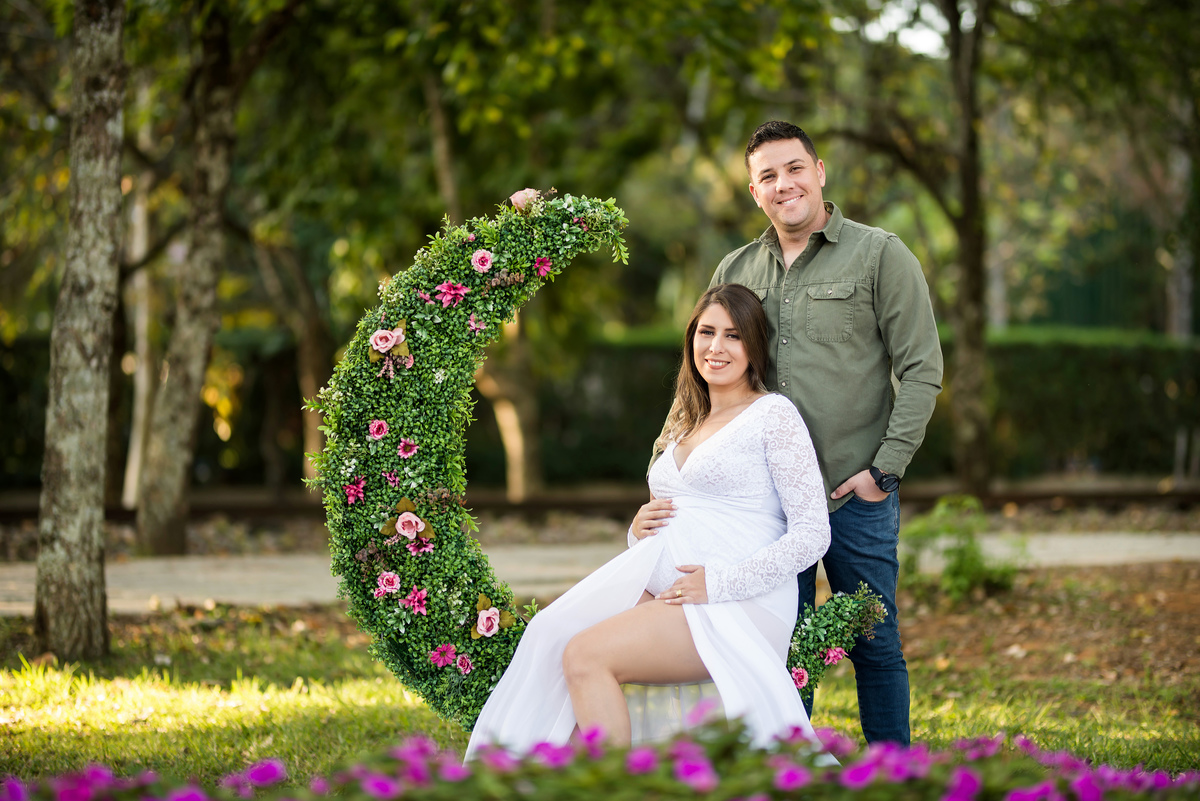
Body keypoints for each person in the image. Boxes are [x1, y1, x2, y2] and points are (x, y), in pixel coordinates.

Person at [642, 120, 943, 745]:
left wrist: (885, 470)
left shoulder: (880, 254)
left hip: (850, 491)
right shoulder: (737, 267)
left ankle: (894, 772)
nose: (785, 185)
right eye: (768, 177)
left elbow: (921, 368)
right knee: (777, 641)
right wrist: (662, 473)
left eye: (794, 169)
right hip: (761, 508)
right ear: (755, 192)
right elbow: (703, 374)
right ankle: (788, 768)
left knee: (874, 641)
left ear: (820, 171)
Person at [465, 284, 832, 759]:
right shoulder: (685, 421)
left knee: (586, 655)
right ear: (690, 339)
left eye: (733, 336)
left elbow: (812, 533)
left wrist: (718, 583)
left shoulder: (773, 415)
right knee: (551, 635)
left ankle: (613, 786)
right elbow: (676, 514)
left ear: (754, 347)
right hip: (670, 589)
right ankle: (552, 781)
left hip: (738, 601)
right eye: (706, 332)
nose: (716, 347)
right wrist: (636, 530)